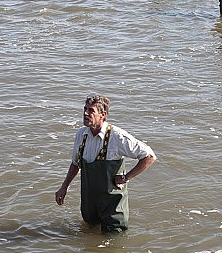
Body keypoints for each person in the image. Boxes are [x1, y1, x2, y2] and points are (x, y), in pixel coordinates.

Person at [55, 95, 157, 233]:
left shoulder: (117, 136)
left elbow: (149, 156)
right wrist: (64, 187)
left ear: (103, 115)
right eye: (85, 109)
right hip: (90, 203)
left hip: (112, 206)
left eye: (91, 111)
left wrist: (126, 177)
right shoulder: (81, 134)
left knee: (112, 242)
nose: (85, 113)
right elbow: (75, 164)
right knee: (89, 238)